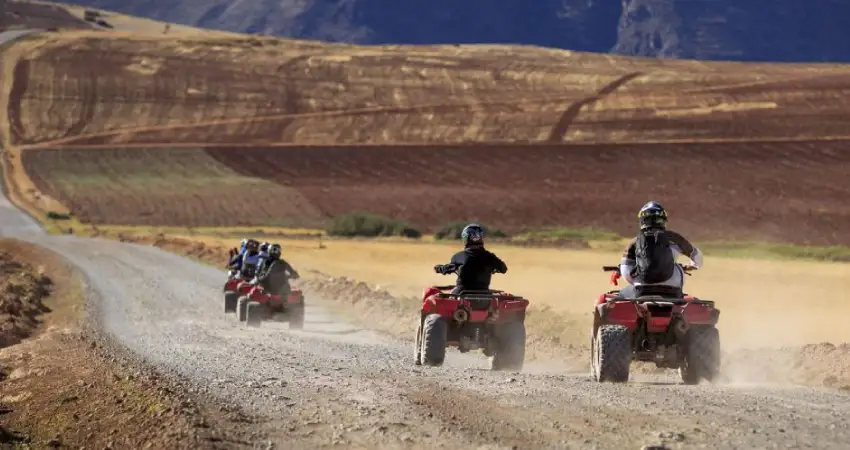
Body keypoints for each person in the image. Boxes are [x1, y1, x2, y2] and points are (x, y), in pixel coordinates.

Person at [617, 201, 704, 298]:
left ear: (642, 221)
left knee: (621, 295)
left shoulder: (634, 242)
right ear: (663, 220)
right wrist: (689, 267)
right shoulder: (675, 238)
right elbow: (698, 258)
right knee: (677, 267)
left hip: (642, 290)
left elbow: (626, 272)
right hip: (673, 290)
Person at [433, 223, 507, 294]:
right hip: (485, 298)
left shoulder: (459, 256)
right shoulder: (491, 257)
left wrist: (439, 268)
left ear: (465, 238)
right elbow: (503, 269)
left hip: (462, 296)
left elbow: (448, 268)